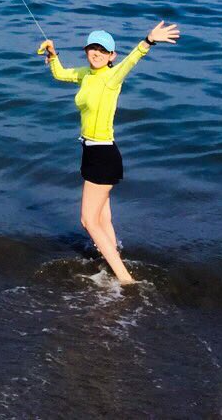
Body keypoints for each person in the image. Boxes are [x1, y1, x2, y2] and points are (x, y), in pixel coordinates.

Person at [38, 20, 180, 284]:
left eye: (102, 50)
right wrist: (53, 55)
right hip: (90, 152)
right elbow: (61, 74)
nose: (96, 53)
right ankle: (112, 261)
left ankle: (125, 279)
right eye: (92, 48)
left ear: (111, 55)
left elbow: (131, 62)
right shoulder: (85, 74)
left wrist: (147, 41)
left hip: (104, 155)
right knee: (103, 218)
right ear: (86, 50)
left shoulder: (112, 77)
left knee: (87, 221)